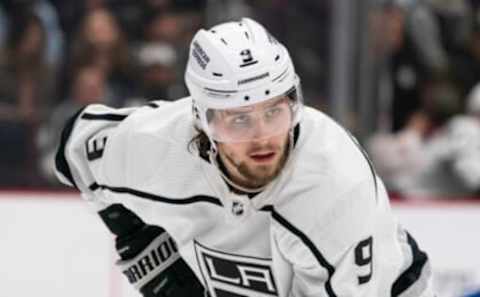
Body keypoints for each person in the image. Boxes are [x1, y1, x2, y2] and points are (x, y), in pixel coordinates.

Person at [55, 18, 434, 297]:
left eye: (274, 111)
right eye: (239, 120)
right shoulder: (157, 143)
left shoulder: (335, 187)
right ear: (203, 120)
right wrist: (142, 243)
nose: (263, 136)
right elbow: (78, 150)